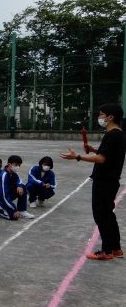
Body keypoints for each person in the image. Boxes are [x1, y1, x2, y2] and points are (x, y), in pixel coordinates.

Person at [61, 103, 126, 260]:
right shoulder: (118, 133)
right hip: (110, 180)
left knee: (101, 216)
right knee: (108, 215)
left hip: (104, 181)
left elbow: (102, 159)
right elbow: (108, 154)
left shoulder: (112, 135)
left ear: (110, 117)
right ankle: (116, 248)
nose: (100, 117)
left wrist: (78, 157)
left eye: (102, 114)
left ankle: (107, 251)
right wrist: (93, 149)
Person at [0, 155, 35, 220]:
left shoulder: (13, 173)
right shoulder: (4, 176)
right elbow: (3, 196)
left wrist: (19, 186)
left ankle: (22, 210)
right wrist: (14, 209)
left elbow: (19, 180)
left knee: (22, 187)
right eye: (16, 164)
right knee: (13, 216)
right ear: (9, 164)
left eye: (19, 165)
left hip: (4, 195)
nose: (18, 167)